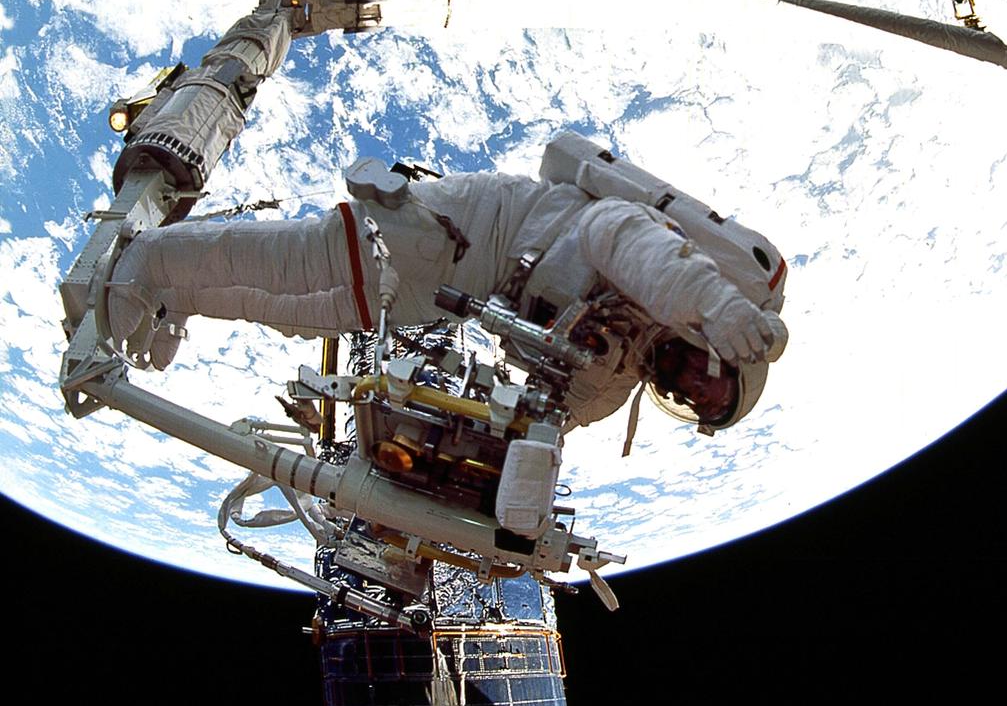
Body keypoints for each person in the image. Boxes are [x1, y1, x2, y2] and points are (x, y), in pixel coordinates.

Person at [106, 144, 788, 438]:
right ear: (722, 351)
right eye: (708, 383)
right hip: (472, 230)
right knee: (298, 262)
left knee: (310, 313)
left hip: (459, 296)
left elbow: (547, 420)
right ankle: (146, 256)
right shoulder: (669, 269)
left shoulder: (610, 390)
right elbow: (615, 231)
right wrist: (716, 302)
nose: (688, 389)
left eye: (695, 404)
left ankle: (178, 298)